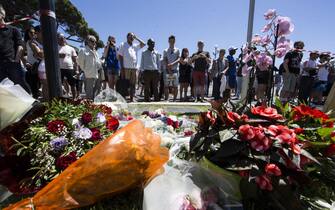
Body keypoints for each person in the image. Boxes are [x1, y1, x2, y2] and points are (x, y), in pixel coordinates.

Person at [0, 4, 30, 93]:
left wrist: (16, 61)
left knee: (20, 86)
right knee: (5, 90)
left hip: (12, 63)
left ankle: (31, 104)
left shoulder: (14, 30)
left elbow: (20, 46)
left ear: (2, 15)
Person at [118, 32, 145, 102]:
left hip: (134, 68)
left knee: (133, 84)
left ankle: (131, 98)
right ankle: (123, 99)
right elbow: (120, 56)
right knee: (125, 84)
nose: (132, 38)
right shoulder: (123, 44)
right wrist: (121, 67)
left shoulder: (135, 46)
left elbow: (144, 44)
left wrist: (137, 38)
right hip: (126, 67)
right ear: (127, 37)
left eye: (133, 37)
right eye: (130, 36)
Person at [77, 35, 102, 100]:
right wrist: (86, 71)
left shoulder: (95, 52)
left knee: (96, 93)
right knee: (89, 95)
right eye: (92, 41)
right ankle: (89, 108)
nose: (94, 43)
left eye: (95, 42)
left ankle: (94, 107)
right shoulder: (83, 50)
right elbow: (80, 63)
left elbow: (98, 63)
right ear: (88, 41)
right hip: (88, 75)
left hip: (96, 74)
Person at [58, 33, 78, 99]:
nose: (62, 39)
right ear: (57, 39)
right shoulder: (55, 47)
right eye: (60, 38)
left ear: (65, 39)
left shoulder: (71, 48)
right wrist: (58, 55)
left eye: (63, 37)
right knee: (59, 84)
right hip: (59, 68)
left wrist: (77, 70)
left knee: (73, 84)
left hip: (69, 68)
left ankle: (74, 99)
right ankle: (60, 99)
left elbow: (75, 61)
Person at [24, 27, 40, 99]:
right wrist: (25, 62)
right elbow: (23, 54)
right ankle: (35, 98)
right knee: (33, 83)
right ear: (27, 33)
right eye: (31, 32)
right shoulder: (27, 42)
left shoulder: (37, 42)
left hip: (38, 64)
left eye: (34, 32)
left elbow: (38, 55)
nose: (33, 34)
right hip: (31, 65)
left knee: (37, 83)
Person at [163, 35, 180, 101]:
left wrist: (172, 64)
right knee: (166, 86)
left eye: (173, 40)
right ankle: (167, 99)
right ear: (168, 41)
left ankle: (174, 100)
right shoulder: (165, 50)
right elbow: (165, 59)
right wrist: (168, 68)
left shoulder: (177, 50)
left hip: (175, 70)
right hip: (167, 70)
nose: (172, 42)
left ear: (174, 41)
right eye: (170, 40)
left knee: (175, 86)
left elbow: (178, 59)